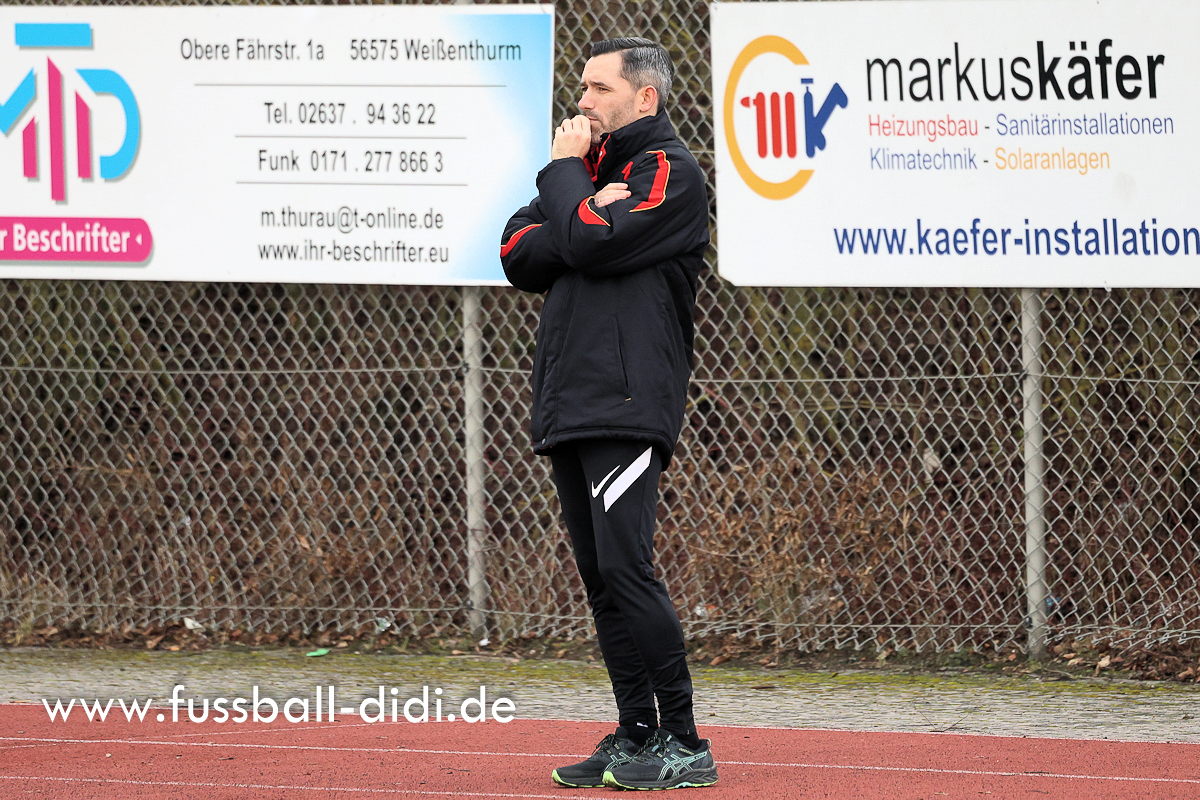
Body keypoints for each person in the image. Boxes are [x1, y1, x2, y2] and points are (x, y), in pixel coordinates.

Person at [499, 37, 716, 791]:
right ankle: (635, 734)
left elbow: (587, 244)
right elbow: (518, 252)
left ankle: (685, 741)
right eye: (582, 87)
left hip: (627, 403)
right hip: (570, 403)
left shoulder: (670, 172)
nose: (583, 100)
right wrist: (582, 207)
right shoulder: (589, 176)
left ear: (643, 98)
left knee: (628, 568)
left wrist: (569, 192)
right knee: (600, 578)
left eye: (598, 88)